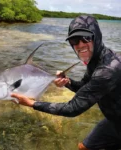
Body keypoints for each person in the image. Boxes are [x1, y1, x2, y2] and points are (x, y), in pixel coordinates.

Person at [11, 15, 121, 150]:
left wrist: (31, 103)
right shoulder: (95, 61)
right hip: (114, 120)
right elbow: (86, 88)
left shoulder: (108, 69)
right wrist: (67, 82)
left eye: (86, 37)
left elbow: (72, 108)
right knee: (84, 147)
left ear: (96, 37)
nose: (80, 44)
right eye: (75, 40)